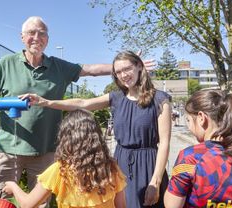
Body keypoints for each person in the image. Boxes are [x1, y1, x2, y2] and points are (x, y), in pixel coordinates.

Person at [0, 16, 155, 199]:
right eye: (31, 33)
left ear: (47, 40)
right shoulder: (7, 64)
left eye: (42, 33)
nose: (36, 37)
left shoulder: (58, 67)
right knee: (0, 200)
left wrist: (124, 67)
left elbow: (90, 70)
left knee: (40, 202)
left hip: (46, 150)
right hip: (9, 150)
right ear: (22, 37)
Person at [21, 51, 172, 207]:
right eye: (118, 72)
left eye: (127, 69)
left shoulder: (160, 99)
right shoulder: (116, 97)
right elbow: (82, 103)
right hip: (122, 163)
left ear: (139, 66)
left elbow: (165, 143)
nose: (123, 75)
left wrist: (156, 180)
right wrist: (46, 102)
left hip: (149, 165)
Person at [164, 89, 232, 208]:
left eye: (188, 120)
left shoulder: (190, 157)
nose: (189, 127)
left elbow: (172, 205)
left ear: (201, 118)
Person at [3, 109, 127, 208]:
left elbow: (27, 204)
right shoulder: (110, 168)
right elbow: (121, 206)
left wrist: (13, 186)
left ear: (67, 139)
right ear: (97, 138)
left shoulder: (60, 170)